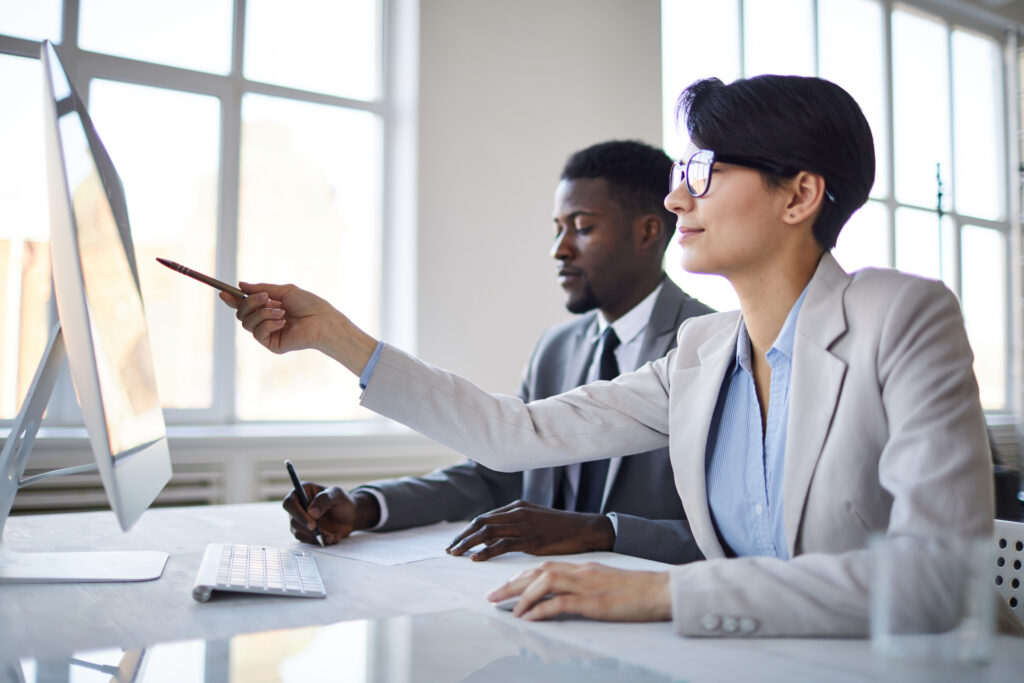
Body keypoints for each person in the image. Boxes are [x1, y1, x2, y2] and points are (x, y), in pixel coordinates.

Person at [224, 74, 1018, 637]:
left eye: (703, 171)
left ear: (799, 195)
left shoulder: (902, 316)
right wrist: (334, 336)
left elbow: (934, 582)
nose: (678, 200)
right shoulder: (704, 350)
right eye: (681, 175)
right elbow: (514, 434)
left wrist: (657, 593)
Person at [281, 141, 712, 565]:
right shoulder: (556, 348)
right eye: (557, 228)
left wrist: (597, 533)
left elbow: (733, 535)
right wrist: (365, 508)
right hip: (539, 597)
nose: (559, 249)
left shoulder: (707, 348)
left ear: (648, 231)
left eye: (581, 227)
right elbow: (494, 474)